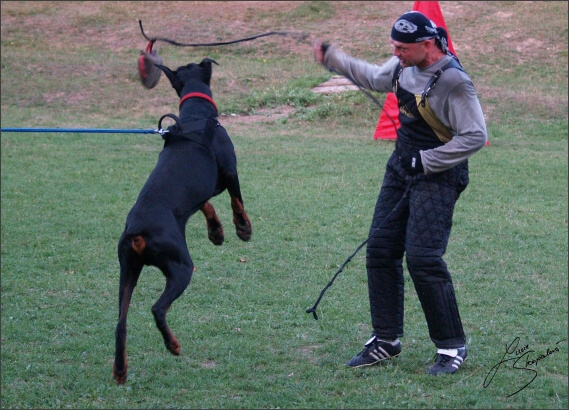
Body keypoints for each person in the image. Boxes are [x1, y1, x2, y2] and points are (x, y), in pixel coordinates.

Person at [312, 11, 487, 375]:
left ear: (427, 44)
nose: (396, 53)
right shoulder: (402, 63)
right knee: (381, 249)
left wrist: (426, 161)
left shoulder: (454, 81)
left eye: (403, 48)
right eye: (394, 46)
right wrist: (333, 58)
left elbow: (475, 136)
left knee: (423, 258)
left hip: (438, 174)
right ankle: (386, 340)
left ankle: (452, 347)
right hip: (400, 167)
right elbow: (375, 77)